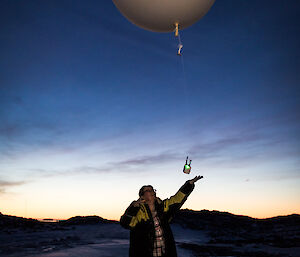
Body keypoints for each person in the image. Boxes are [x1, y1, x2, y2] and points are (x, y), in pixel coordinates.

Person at [120, 175, 202, 257]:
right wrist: (133, 208)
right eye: (148, 190)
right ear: (142, 196)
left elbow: (177, 199)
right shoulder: (138, 211)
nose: (152, 192)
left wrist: (189, 184)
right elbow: (125, 224)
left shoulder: (163, 207)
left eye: (152, 190)